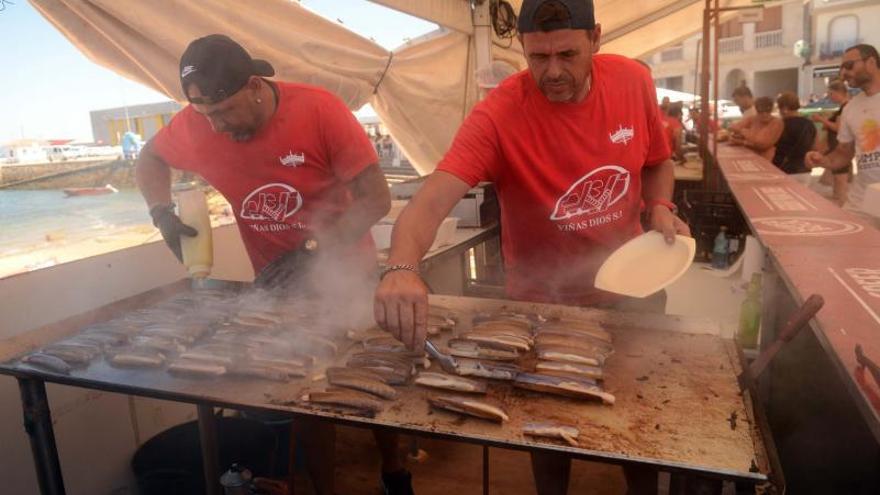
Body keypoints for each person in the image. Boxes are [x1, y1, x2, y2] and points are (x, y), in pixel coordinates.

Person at [373, 1, 690, 493]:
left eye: (567, 54)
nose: (553, 71)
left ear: (597, 39)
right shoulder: (500, 113)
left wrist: (661, 206)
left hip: (633, 282)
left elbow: (656, 161)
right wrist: (400, 266)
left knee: (635, 414)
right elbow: (433, 198)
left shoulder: (631, 80)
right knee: (544, 427)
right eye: (538, 57)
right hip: (543, 302)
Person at [134, 35, 412, 495]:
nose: (217, 127)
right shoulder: (198, 124)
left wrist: (314, 252)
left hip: (346, 270)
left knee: (370, 379)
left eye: (225, 112)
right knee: (306, 391)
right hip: (277, 285)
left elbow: (376, 199)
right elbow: (150, 158)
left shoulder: (319, 110)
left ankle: (394, 473)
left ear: (255, 86)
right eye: (207, 116)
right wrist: (160, 212)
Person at [807, 44, 880, 212]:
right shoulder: (850, 108)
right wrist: (822, 160)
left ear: (870, 62)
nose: (843, 73)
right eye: (841, 68)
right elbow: (844, 152)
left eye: (849, 66)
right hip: (863, 201)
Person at [812, 80, 852, 205]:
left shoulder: (846, 108)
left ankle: (841, 202)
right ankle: (839, 200)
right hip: (837, 147)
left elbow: (838, 128)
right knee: (837, 178)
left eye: (831, 94)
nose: (830, 97)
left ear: (839, 92)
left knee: (840, 178)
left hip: (839, 147)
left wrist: (822, 120)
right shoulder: (844, 108)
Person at [772, 92, 817, 177]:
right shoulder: (809, 124)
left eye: (779, 108)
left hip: (783, 168)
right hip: (805, 169)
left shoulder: (780, 125)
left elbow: (770, 146)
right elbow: (816, 147)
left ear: (784, 108)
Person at [728, 96, 783, 161]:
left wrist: (743, 136)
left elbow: (762, 144)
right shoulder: (754, 118)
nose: (764, 114)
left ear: (771, 110)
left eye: (767, 111)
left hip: (765, 159)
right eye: (761, 111)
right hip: (748, 155)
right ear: (757, 110)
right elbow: (732, 127)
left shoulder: (777, 123)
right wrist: (746, 138)